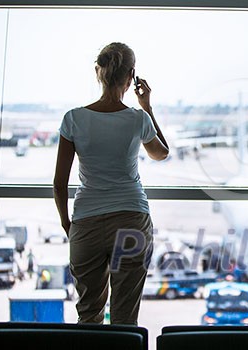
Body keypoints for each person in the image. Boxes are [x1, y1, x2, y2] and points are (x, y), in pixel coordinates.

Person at [53, 42, 169, 325]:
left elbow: (59, 182)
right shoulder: (137, 118)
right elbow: (161, 153)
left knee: (89, 313)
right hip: (131, 217)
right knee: (125, 314)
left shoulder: (74, 119)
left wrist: (68, 224)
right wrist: (147, 107)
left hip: (87, 221)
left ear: (98, 72)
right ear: (131, 77)